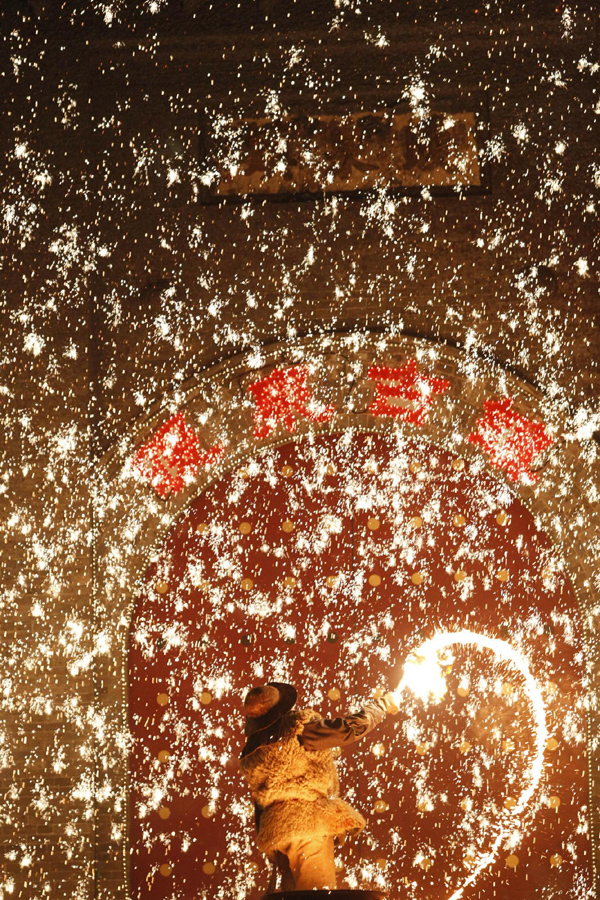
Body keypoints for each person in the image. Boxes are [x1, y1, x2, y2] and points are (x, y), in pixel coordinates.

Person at [239, 681, 400, 893]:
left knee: (292, 897)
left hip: (278, 834)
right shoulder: (296, 730)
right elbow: (347, 730)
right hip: (308, 828)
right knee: (317, 895)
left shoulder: (253, 750)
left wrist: (270, 843)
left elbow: (259, 801)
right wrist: (380, 707)